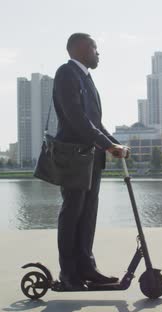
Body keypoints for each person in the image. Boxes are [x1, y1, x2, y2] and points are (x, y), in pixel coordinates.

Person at [52, 33, 129, 291]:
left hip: (91, 157)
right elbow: (75, 118)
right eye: (96, 48)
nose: (98, 54)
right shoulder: (66, 74)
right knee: (72, 213)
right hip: (74, 157)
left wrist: (114, 143)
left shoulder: (86, 77)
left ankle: (87, 268)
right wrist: (107, 144)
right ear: (83, 48)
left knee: (88, 214)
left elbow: (94, 122)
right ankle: (69, 274)